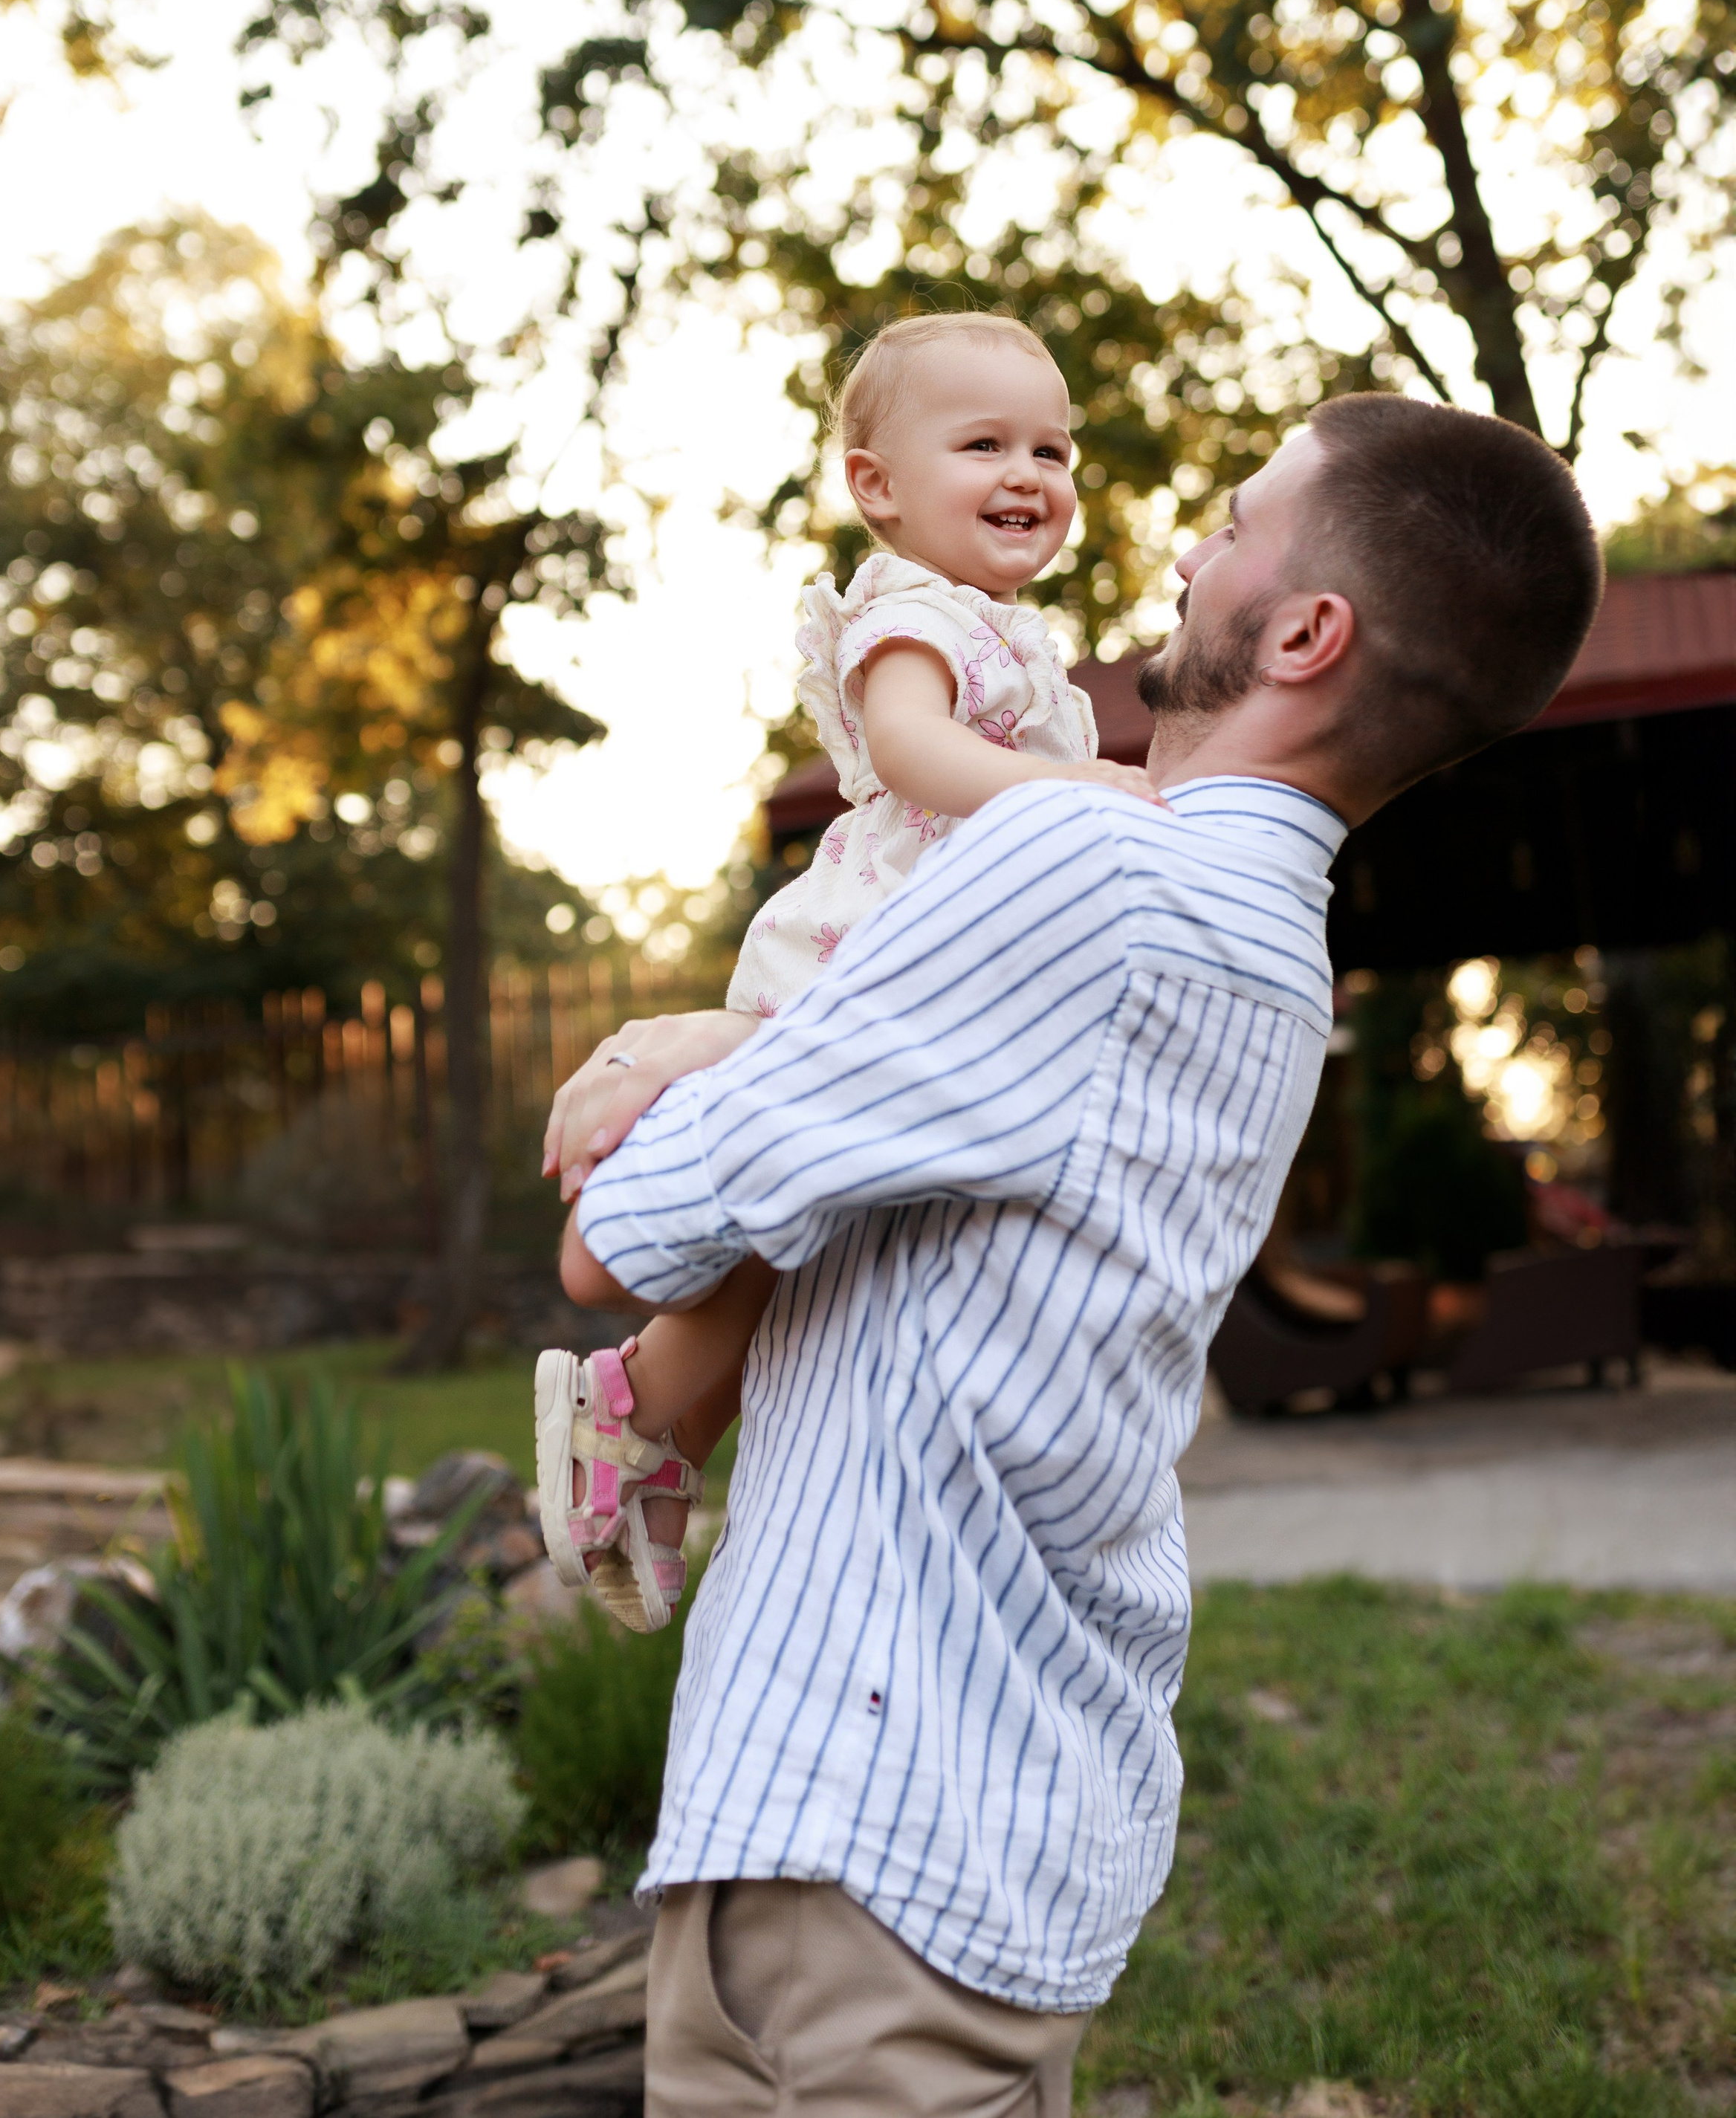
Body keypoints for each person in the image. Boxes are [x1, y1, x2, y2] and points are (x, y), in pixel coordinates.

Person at [548, 390, 1600, 2118]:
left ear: (1303, 627)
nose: (1187, 546)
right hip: (929, 1817)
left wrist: (686, 1045)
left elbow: (621, 1236)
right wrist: (738, 1044)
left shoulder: (1078, 870)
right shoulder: (1267, 953)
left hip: (869, 1828)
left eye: (1236, 520)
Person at [534, 309, 1162, 1630]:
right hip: (868, 956)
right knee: (773, 1227)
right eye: (983, 442)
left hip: (935, 967)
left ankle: (650, 1434)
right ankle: (636, 1406)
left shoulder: (1014, 634)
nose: (1030, 474)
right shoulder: (917, 612)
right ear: (875, 486)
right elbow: (917, 754)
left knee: (786, 1257)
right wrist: (1085, 792)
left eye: (1054, 449)